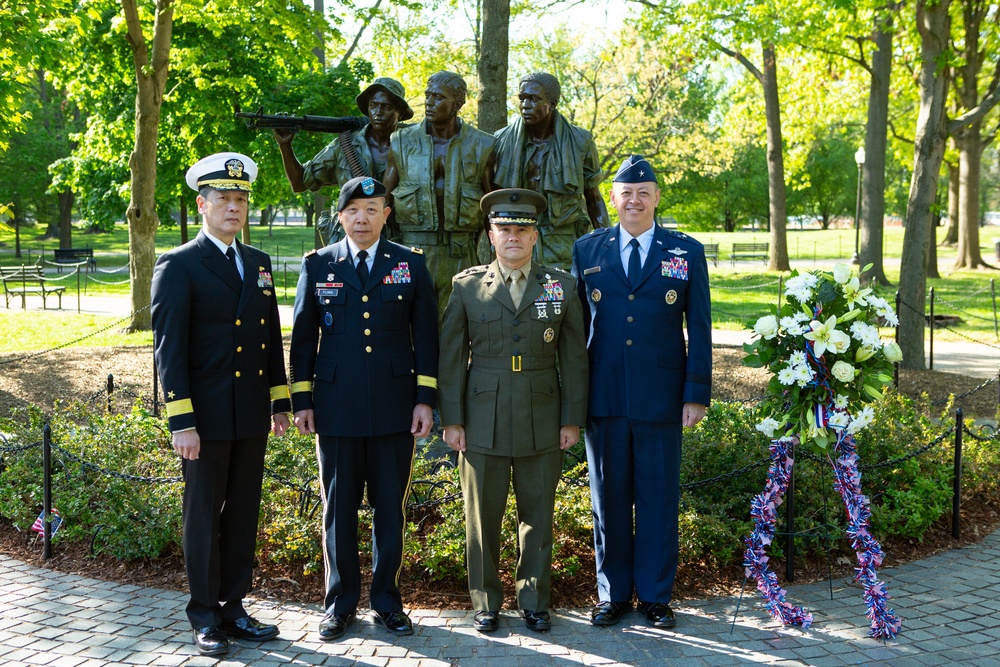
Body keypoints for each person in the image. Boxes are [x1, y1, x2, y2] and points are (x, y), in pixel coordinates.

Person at [151, 152, 291, 656]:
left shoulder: (258, 263)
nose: (234, 208)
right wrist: (181, 421)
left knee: (242, 515)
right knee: (204, 515)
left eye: (241, 199)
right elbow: (169, 352)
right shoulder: (179, 264)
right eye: (224, 199)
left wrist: (279, 401)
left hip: (250, 413)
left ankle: (234, 608)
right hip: (204, 419)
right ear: (202, 204)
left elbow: (270, 336)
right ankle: (205, 615)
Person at [288, 176, 439, 641]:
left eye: (372, 209)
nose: (362, 218)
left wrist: (425, 399)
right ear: (339, 216)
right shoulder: (318, 265)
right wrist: (302, 401)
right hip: (335, 409)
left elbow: (427, 337)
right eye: (353, 210)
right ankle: (339, 604)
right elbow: (302, 337)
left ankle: (387, 601)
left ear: (386, 214)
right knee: (339, 510)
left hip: (396, 410)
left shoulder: (409, 264)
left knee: (389, 509)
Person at [571, 155, 712, 629]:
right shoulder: (587, 250)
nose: (634, 200)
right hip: (604, 395)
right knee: (608, 497)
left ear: (656, 198)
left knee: (657, 496)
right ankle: (612, 594)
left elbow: (702, 328)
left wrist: (696, 393)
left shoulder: (685, 251)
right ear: (614, 198)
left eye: (643, 192)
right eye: (626, 192)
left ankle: (655, 595)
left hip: (663, 396)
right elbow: (576, 333)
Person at [439, 188, 588, 633]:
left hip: (543, 414)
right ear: (491, 235)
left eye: (522, 230)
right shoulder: (467, 287)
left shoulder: (561, 286)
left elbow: (575, 358)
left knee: (538, 515)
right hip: (481, 416)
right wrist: (452, 419)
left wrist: (571, 419)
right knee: (482, 518)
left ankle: (534, 600)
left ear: (536, 236)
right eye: (505, 229)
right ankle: (485, 603)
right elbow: (450, 357)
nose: (513, 238)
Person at [383, 70, 495, 319]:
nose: (429, 102)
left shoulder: (483, 144)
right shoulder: (401, 141)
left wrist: (497, 256)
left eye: (438, 97)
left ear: (457, 104)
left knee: (457, 324)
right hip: (410, 250)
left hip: (461, 251)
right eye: (427, 95)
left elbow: (491, 207)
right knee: (406, 320)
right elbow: (384, 200)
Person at [274, 77, 414, 245]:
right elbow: (299, 183)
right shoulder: (345, 144)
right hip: (351, 241)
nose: (378, 112)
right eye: (373, 105)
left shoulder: (413, 146)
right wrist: (285, 146)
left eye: (387, 107)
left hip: (399, 242)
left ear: (400, 113)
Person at [493, 72, 609, 269]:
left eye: (534, 99)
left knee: (562, 298)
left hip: (563, 242)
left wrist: (608, 244)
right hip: (515, 241)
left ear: (553, 103)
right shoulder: (501, 140)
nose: (525, 105)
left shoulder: (581, 142)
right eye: (522, 98)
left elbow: (594, 198)